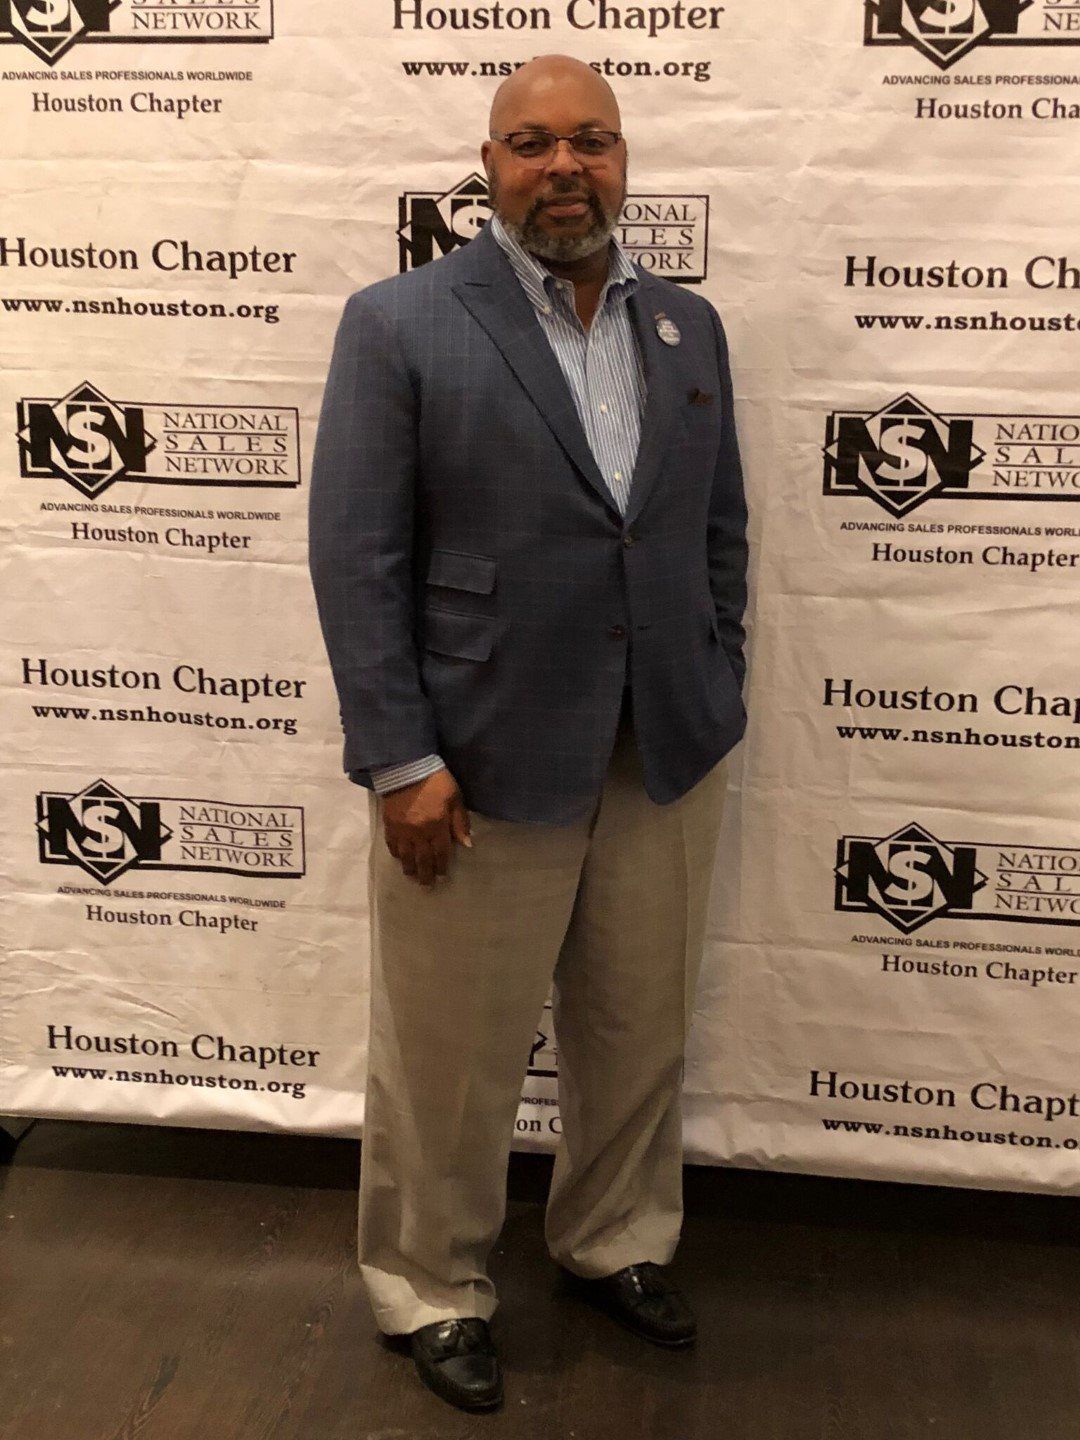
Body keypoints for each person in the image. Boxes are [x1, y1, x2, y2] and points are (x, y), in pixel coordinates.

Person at [308, 53, 749, 1413]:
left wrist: (716, 677)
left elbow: (717, 532)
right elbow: (358, 555)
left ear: (626, 160)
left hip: (660, 748)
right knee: (452, 1052)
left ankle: (613, 1239)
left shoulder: (690, 329)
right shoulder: (401, 323)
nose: (567, 167)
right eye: (534, 143)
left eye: (595, 142)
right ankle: (430, 1285)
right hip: (477, 762)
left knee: (637, 1029)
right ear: (487, 168)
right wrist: (401, 758)